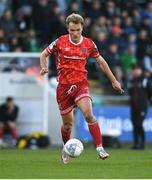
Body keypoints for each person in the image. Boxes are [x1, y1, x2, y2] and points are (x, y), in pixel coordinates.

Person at [40, 13, 124, 164]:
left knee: (88, 114)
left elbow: (101, 62)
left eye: (77, 30)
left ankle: (99, 148)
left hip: (80, 85)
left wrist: (113, 80)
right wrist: (44, 67)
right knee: (67, 125)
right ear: (68, 28)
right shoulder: (60, 41)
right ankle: (65, 149)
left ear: (82, 28)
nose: (75, 33)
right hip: (63, 88)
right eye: (72, 30)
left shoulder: (89, 44)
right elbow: (43, 54)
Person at [128, 65, 152, 149]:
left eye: (137, 69)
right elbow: (130, 93)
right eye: (134, 69)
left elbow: (150, 92)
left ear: (141, 70)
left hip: (142, 107)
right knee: (134, 125)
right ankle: (136, 143)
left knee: (139, 123)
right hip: (133, 107)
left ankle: (142, 144)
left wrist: (146, 101)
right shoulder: (131, 81)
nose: (135, 71)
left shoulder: (145, 80)